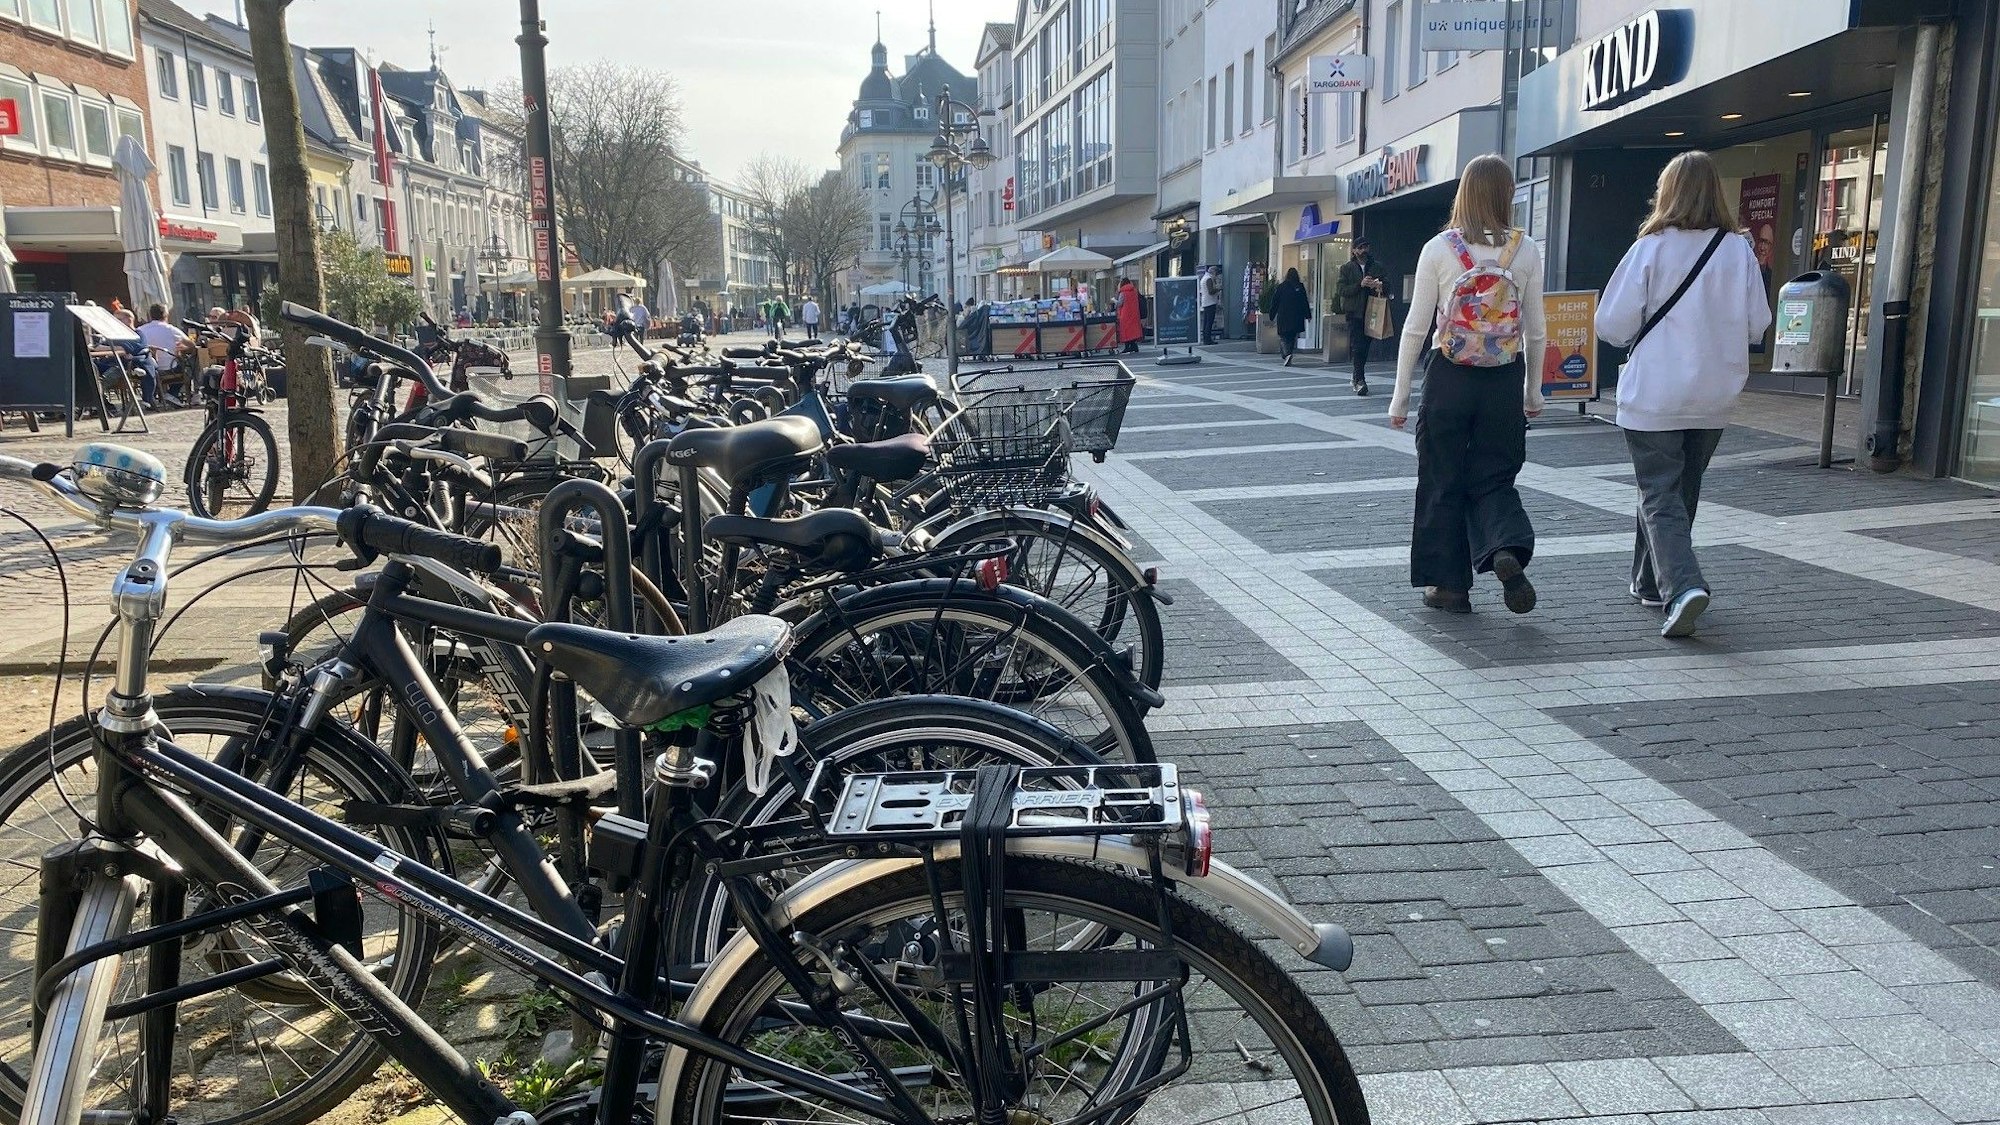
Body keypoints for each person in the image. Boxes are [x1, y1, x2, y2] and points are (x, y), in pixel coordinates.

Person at [1597, 150, 1773, 639]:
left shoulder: (1650, 248)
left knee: (1658, 493)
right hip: (1713, 394)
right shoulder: (1738, 251)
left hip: (1655, 391)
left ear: (1667, 193)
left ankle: (1682, 587)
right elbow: (1759, 324)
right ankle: (1650, 583)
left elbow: (1611, 325)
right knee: (1679, 490)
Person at [1390, 154, 1546, 617]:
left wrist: (1400, 397)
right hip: (1503, 377)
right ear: (1507, 195)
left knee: (1441, 477)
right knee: (1495, 475)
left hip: (1449, 375)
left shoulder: (1439, 249)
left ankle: (1448, 587)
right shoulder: (1526, 249)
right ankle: (1505, 548)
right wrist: (1533, 392)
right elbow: (1536, 330)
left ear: (1463, 193)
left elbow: (1416, 329)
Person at [1337, 237, 1387, 395]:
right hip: (1354, 313)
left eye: (1365, 247)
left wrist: (1380, 285)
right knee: (1358, 346)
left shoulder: (1376, 266)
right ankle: (1360, 380)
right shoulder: (1347, 268)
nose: (1363, 250)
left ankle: (1356, 374)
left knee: (1365, 346)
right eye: (1360, 248)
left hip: (1372, 312)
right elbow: (1342, 290)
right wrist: (1360, 285)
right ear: (1354, 251)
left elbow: (1387, 284)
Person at [137, 303, 191, 402]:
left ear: (150, 315)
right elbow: (191, 345)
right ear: (166, 314)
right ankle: (172, 394)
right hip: (170, 368)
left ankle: (155, 395)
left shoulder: (140, 330)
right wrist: (181, 347)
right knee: (188, 367)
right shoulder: (170, 329)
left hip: (148, 369)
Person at [1271, 268, 1311, 366]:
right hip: (1296, 317)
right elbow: (1304, 302)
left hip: (1284, 316)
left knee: (1283, 337)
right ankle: (1289, 354)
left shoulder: (1281, 287)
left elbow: (1275, 302)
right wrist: (1308, 315)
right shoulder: (1300, 287)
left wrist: (1272, 314)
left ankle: (1286, 354)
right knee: (1292, 337)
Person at [1115, 276, 1143, 354]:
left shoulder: (1123, 292)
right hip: (1134, 314)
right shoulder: (1134, 290)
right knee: (1133, 331)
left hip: (1125, 314)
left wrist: (1114, 301)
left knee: (1126, 331)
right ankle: (1134, 345)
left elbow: (1120, 303)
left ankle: (1127, 347)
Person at [1198, 264, 1222, 344]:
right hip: (1210, 302)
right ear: (1213, 272)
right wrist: (1218, 289)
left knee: (1206, 322)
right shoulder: (1208, 279)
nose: (1217, 275)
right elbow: (1211, 291)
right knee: (1209, 322)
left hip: (1206, 302)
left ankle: (1206, 338)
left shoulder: (1204, 278)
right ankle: (1208, 339)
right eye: (1216, 273)